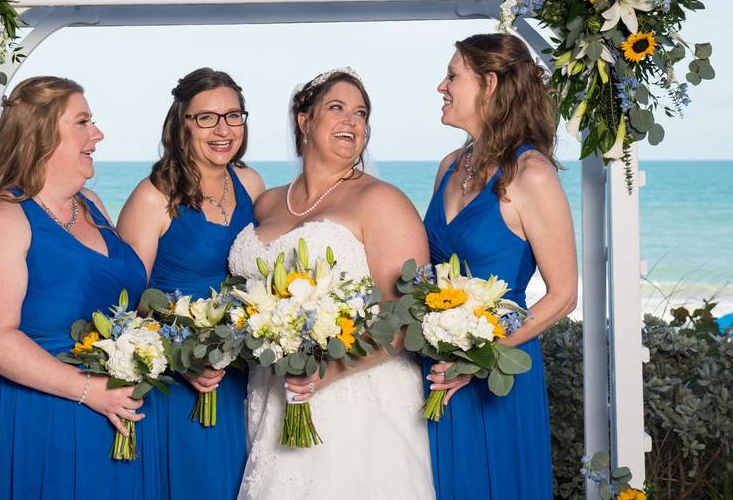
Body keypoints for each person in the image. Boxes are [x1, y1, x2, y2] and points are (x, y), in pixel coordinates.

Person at [226, 67, 435, 499]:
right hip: (273, 395)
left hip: (358, 397)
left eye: (361, 114)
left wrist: (328, 370)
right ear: (304, 120)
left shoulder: (382, 200)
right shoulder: (267, 202)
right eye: (336, 108)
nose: (352, 122)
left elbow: (405, 319)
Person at [0, 76, 159, 499]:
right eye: (83, 122)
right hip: (38, 413)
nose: (97, 134)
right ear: (42, 136)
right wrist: (89, 391)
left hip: (112, 407)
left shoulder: (93, 207)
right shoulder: (1, 219)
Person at [422, 33, 577, 500]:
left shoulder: (532, 175)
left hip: (498, 374)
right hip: (436, 366)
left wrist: (478, 359)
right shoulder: (450, 165)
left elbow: (564, 294)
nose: (440, 86)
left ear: (488, 83)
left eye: (452, 76)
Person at [117, 68, 264, 500]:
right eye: (207, 118)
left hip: (241, 373)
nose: (224, 129)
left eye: (233, 116)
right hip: (180, 380)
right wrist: (183, 359)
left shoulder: (251, 183)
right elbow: (126, 303)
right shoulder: (153, 196)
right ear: (182, 124)